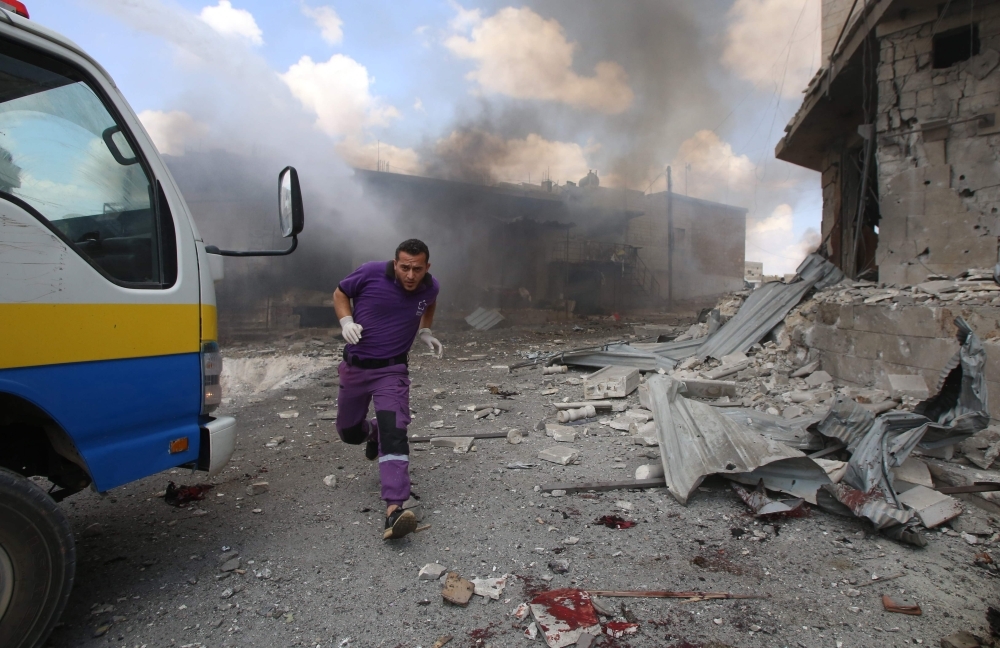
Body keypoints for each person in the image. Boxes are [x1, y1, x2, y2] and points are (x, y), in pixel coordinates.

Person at [332, 239, 442, 540]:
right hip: (355, 367)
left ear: (426, 268)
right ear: (396, 264)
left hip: (392, 371)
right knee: (349, 432)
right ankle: (372, 431)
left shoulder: (430, 286)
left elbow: (429, 302)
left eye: (417, 269)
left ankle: (394, 509)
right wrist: (346, 320)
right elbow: (341, 292)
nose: (410, 275)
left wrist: (425, 330)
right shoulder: (369, 273)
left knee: (395, 431)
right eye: (404, 267)